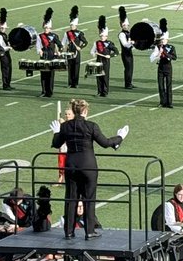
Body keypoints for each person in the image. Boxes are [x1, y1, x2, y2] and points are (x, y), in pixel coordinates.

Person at [50, 98, 128, 240]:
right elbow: (105, 143)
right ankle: (89, 231)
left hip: (71, 165)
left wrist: (56, 132)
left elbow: (56, 143)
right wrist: (119, 138)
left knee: (71, 198)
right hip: (88, 166)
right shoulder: (91, 126)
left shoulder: (66, 126)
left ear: (73, 111)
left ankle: (68, 231)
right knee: (89, 199)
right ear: (85, 111)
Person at [37, 8, 61, 99]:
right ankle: (43, 91)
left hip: (51, 56)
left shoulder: (54, 36)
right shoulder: (40, 36)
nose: (47, 29)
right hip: (44, 56)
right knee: (43, 74)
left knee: (50, 75)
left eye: (48, 28)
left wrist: (58, 50)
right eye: (45, 27)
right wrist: (39, 50)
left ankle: (49, 91)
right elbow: (38, 45)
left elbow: (59, 44)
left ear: (50, 28)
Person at [151, 22, 175, 108]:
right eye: (162, 39)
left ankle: (169, 103)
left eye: (164, 39)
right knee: (161, 86)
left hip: (168, 67)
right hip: (160, 67)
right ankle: (162, 102)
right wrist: (158, 54)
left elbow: (174, 57)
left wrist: (166, 54)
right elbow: (152, 58)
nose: (163, 41)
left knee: (168, 85)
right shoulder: (158, 47)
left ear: (167, 39)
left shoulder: (171, 47)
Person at [93, 16, 115, 98]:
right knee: (98, 76)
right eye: (101, 36)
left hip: (105, 62)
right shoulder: (97, 43)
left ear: (106, 36)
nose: (102, 37)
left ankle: (105, 91)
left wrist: (110, 55)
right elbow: (92, 51)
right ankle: (99, 91)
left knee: (105, 77)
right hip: (98, 61)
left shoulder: (109, 43)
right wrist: (94, 53)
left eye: (103, 36)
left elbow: (116, 51)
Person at [64, 6, 85, 89]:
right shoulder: (67, 33)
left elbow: (85, 42)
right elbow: (64, 42)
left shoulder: (79, 33)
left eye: (73, 25)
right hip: (69, 52)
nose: (71, 26)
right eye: (71, 25)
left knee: (76, 68)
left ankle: (75, 83)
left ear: (76, 25)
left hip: (76, 52)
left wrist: (80, 47)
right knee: (70, 68)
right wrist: (63, 49)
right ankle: (70, 83)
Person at [0, 7, 14, 91]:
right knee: (5, 69)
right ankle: (5, 85)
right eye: (2, 28)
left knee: (9, 68)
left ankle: (8, 83)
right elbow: (0, 47)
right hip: (3, 54)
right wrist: (8, 47)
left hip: (7, 53)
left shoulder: (4, 35)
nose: (3, 29)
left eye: (4, 28)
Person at [117, 6, 135, 90]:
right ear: (121, 25)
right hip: (125, 53)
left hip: (129, 53)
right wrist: (131, 43)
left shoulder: (129, 32)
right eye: (124, 25)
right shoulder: (122, 34)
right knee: (128, 68)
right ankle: (127, 84)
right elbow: (125, 45)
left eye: (127, 25)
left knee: (131, 67)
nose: (126, 26)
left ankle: (130, 82)